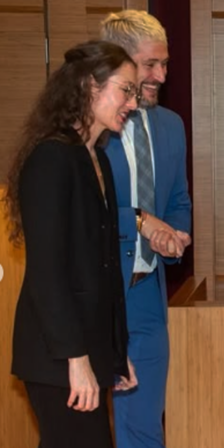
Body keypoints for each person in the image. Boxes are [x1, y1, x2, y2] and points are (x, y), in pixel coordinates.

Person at [5, 40, 140, 448]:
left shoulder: (96, 159)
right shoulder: (50, 158)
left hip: (84, 349)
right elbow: (48, 273)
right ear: (89, 86)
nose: (132, 103)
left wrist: (115, 352)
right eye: (126, 90)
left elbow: (102, 267)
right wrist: (76, 361)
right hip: (57, 356)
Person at [100, 10, 192, 448]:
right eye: (150, 64)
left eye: (165, 63)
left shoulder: (171, 126)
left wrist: (175, 236)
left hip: (146, 294)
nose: (161, 74)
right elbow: (81, 212)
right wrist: (138, 221)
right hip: (95, 296)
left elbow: (177, 201)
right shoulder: (90, 128)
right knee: (84, 426)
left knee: (144, 430)